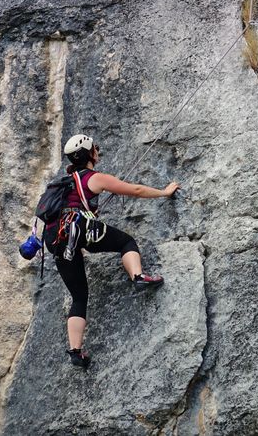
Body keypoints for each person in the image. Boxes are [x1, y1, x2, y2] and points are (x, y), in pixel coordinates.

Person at [43, 133, 179, 370]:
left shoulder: (65, 184)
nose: (98, 151)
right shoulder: (93, 178)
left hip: (58, 240)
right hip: (82, 231)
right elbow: (135, 190)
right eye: (95, 148)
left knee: (79, 296)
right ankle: (137, 276)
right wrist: (164, 192)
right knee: (125, 242)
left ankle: (76, 352)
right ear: (89, 154)